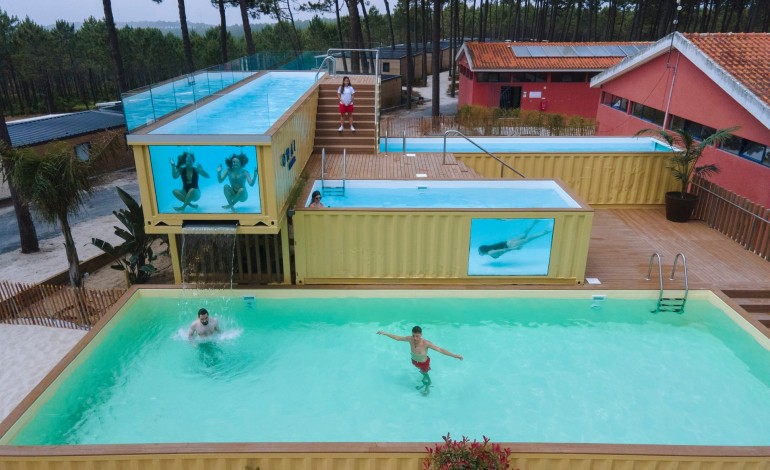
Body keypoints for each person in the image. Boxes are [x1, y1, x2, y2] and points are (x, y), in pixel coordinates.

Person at [377, 326, 462, 395]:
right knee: (421, 372)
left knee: (425, 376)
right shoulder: (410, 339)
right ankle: (425, 381)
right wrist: (385, 333)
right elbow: (398, 338)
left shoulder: (426, 343)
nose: (415, 338)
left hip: (423, 363)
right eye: (413, 335)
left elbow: (440, 349)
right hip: (414, 361)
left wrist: (454, 356)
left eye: (417, 336)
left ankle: (427, 388)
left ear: (421, 334)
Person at [478, 221, 552, 259]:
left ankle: (544, 232)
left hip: (510, 245)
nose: (479, 253)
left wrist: (514, 249)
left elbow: (504, 250)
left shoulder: (490, 252)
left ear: (483, 250)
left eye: (479, 252)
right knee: (524, 235)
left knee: (527, 239)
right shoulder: (490, 251)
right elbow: (502, 250)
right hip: (507, 242)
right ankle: (535, 222)